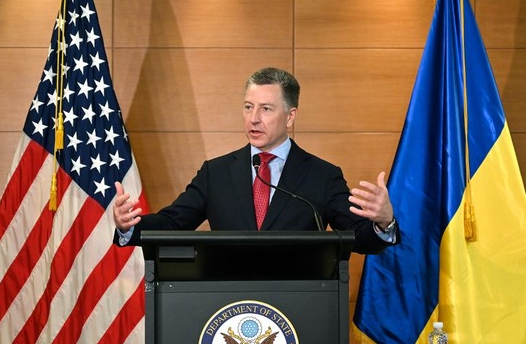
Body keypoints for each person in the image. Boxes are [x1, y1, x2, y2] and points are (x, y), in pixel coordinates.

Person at [113, 67, 398, 254]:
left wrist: (383, 223)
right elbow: (173, 223)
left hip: (298, 307)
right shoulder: (217, 173)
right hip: (229, 305)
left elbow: (357, 238)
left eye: (266, 109)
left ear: (290, 116)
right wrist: (131, 226)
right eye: (248, 107)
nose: (254, 118)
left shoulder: (322, 176)